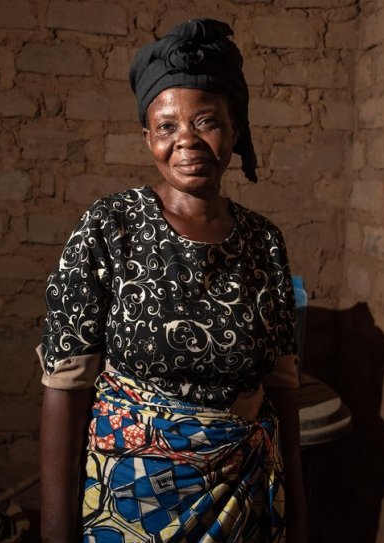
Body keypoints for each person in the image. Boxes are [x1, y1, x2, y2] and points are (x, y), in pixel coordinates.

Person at [37, 18, 306, 542]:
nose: (187, 141)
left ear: (234, 131)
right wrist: (54, 533)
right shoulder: (110, 226)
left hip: (240, 503)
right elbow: (65, 390)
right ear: (147, 137)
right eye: (166, 126)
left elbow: (283, 388)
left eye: (206, 122)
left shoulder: (263, 241)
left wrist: (298, 515)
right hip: (131, 505)